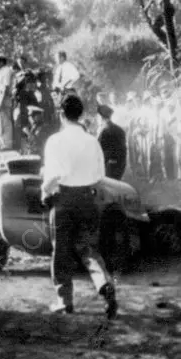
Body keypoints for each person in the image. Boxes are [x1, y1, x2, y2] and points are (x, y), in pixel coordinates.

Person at [40, 95, 118, 319]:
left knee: (61, 252)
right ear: (81, 114)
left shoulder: (55, 141)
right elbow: (99, 175)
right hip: (87, 198)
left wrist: (45, 192)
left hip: (63, 199)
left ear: (61, 114)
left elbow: (52, 175)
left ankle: (65, 300)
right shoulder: (92, 140)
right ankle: (105, 285)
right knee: (89, 249)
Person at [96, 105, 127, 180]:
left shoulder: (104, 131)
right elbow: (124, 150)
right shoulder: (119, 129)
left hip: (108, 166)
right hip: (120, 165)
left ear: (100, 117)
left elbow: (100, 150)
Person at [0, 55, 16, 149]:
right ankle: (3, 144)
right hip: (0, 99)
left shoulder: (7, 70)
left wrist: (2, 102)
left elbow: (6, 87)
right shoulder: (1, 72)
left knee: (5, 123)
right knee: (0, 124)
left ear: (1, 62)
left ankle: (7, 145)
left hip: (4, 100)